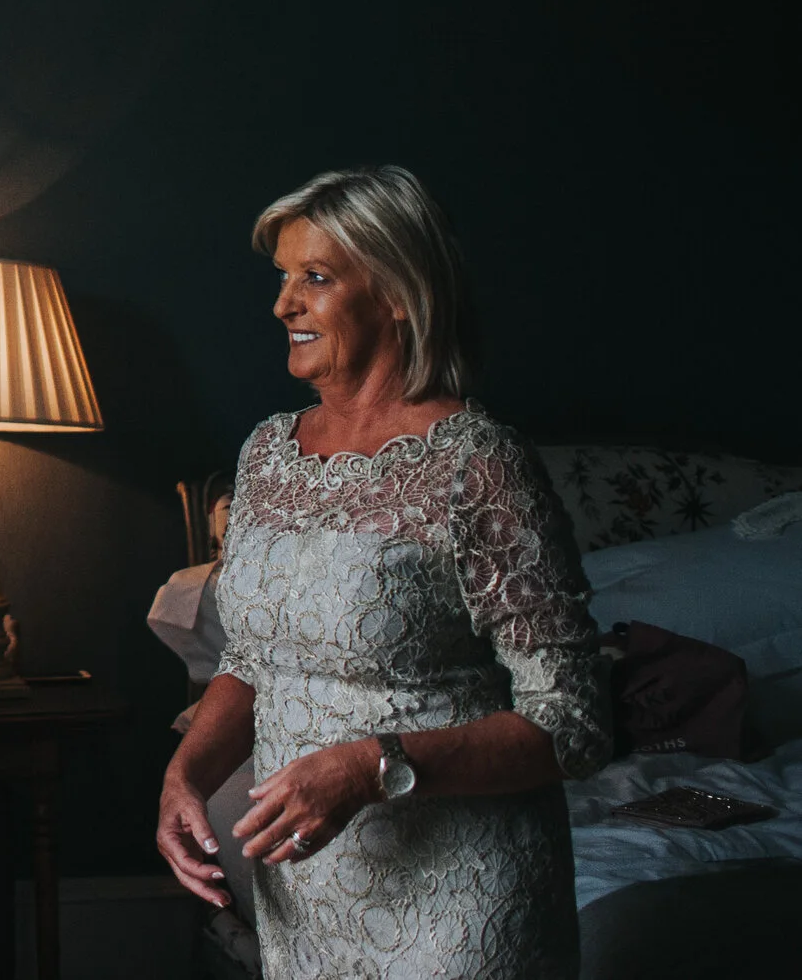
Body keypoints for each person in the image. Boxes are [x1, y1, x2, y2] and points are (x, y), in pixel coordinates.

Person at [156, 166, 608, 979]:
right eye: (283, 277)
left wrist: (371, 765)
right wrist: (184, 774)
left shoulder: (479, 462)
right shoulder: (265, 454)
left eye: (316, 278)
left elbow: (571, 722)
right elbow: (255, 660)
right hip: (307, 892)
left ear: (398, 291)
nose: (283, 304)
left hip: (461, 897)